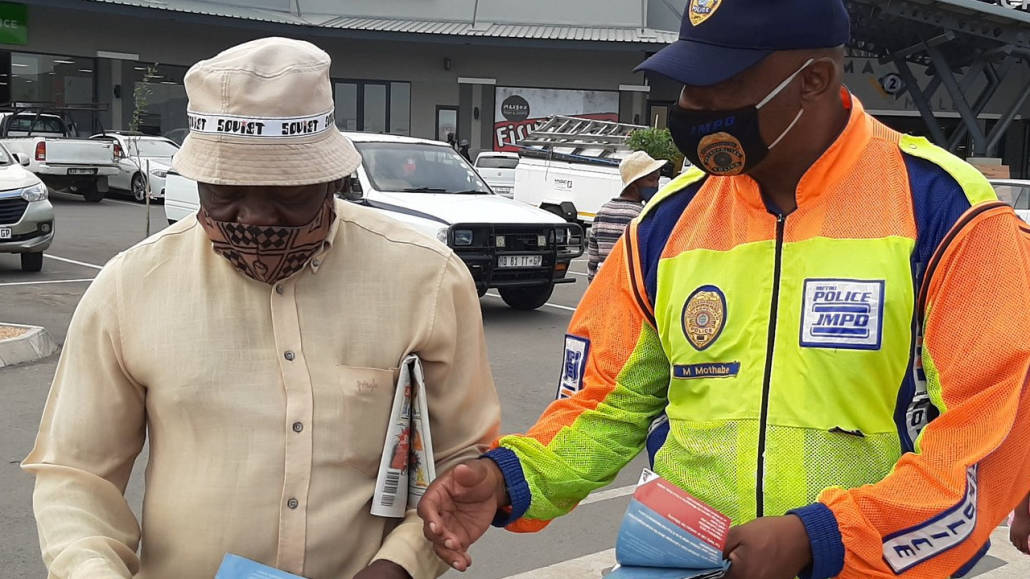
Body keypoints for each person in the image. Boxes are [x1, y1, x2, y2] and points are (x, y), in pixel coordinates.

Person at [418, 2, 1030, 578]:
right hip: (686, 561)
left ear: (813, 79)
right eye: (686, 84)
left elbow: (984, 439)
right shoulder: (665, 224)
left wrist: (823, 539)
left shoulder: (947, 212)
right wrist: (509, 479)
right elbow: (604, 402)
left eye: (722, 82)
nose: (691, 104)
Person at [22, 37, 501, 579]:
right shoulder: (130, 287)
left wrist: (402, 564)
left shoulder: (427, 280)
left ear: (332, 180)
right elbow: (77, 472)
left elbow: (462, 457)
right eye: (225, 192)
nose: (254, 218)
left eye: (285, 192)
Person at [587, 151, 666, 282]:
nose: (655, 185)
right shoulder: (642, 216)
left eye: (657, 179)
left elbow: (593, 261)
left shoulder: (602, 211)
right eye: (651, 179)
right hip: (629, 290)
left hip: (602, 286)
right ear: (634, 183)